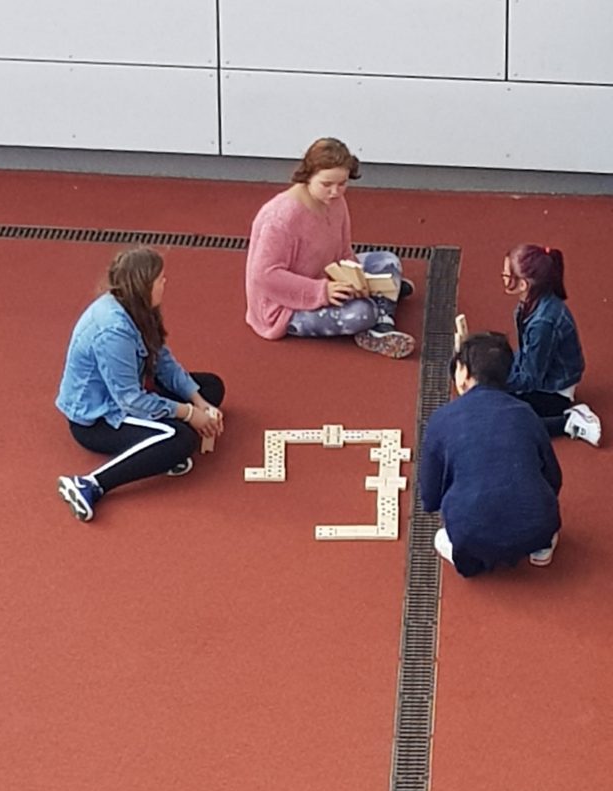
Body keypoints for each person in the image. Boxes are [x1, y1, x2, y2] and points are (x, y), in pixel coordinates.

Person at [55, 247, 225, 522]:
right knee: (181, 438)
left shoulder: (140, 308)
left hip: (132, 390)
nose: (165, 282)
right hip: (99, 419)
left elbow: (162, 359)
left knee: (211, 388)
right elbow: (130, 401)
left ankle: (157, 451)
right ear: (143, 285)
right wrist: (189, 414)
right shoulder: (113, 330)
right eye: (159, 279)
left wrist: (198, 401)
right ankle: (90, 484)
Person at [244, 137, 415, 359]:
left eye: (342, 184)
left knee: (387, 260)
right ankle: (382, 310)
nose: (335, 192)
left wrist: (356, 279)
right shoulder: (280, 219)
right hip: (285, 306)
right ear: (308, 176)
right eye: (326, 184)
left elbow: (344, 251)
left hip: (326, 276)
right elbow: (264, 276)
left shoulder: (335, 201)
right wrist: (322, 291)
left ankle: (382, 321)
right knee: (361, 313)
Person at [420, 332, 562, 576]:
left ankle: (473, 561)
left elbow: (430, 496)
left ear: (463, 372)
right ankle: (541, 546)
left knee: (443, 538)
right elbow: (553, 476)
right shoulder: (525, 412)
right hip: (536, 525)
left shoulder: (441, 419)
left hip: (473, 535)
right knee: (537, 514)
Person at [503, 243, 601, 446]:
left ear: (524, 284)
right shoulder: (530, 306)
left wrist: (498, 383)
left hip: (553, 392)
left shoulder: (543, 323)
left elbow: (531, 378)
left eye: (506, 275)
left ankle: (568, 421)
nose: (503, 278)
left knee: (505, 420)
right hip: (544, 377)